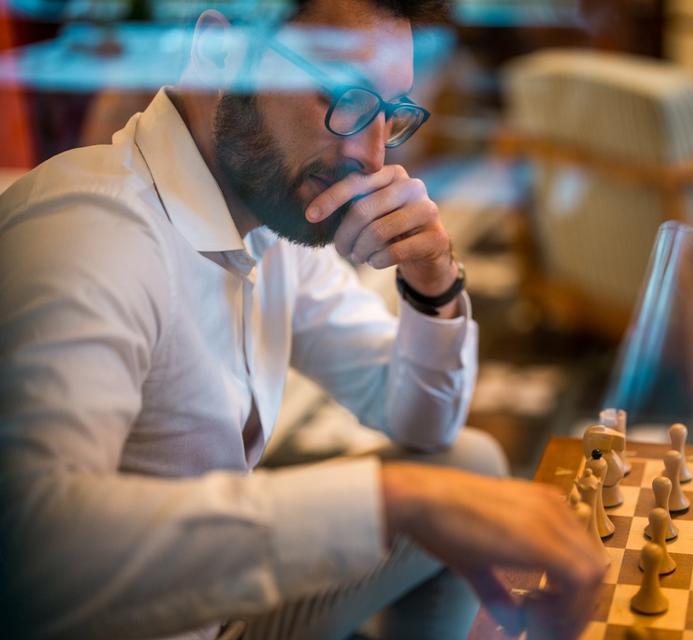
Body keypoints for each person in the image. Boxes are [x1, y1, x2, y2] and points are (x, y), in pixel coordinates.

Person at [0, 1, 607, 638]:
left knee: (467, 467)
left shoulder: (268, 218)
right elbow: (27, 554)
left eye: (388, 113)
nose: (370, 156)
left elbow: (422, 421)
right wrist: (392, 504)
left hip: (217, 613)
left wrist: (433, 282)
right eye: (342, 93)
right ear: (220, 54)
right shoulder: (90, 235)